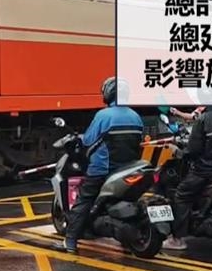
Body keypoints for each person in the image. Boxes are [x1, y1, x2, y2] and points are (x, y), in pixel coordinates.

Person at [53, 76, 145, 254]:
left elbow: (88, 141)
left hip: (103, 169)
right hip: (128, 169)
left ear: (108, 93)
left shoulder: (103, 116)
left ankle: (70, 242)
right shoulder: (135, 116)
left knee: (84, 199)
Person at [162, 87, 212, 251]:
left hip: (206, 170)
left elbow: (193, 150)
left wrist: (179, 152)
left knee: (181, 195)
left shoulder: (204, 120)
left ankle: (178, 239)